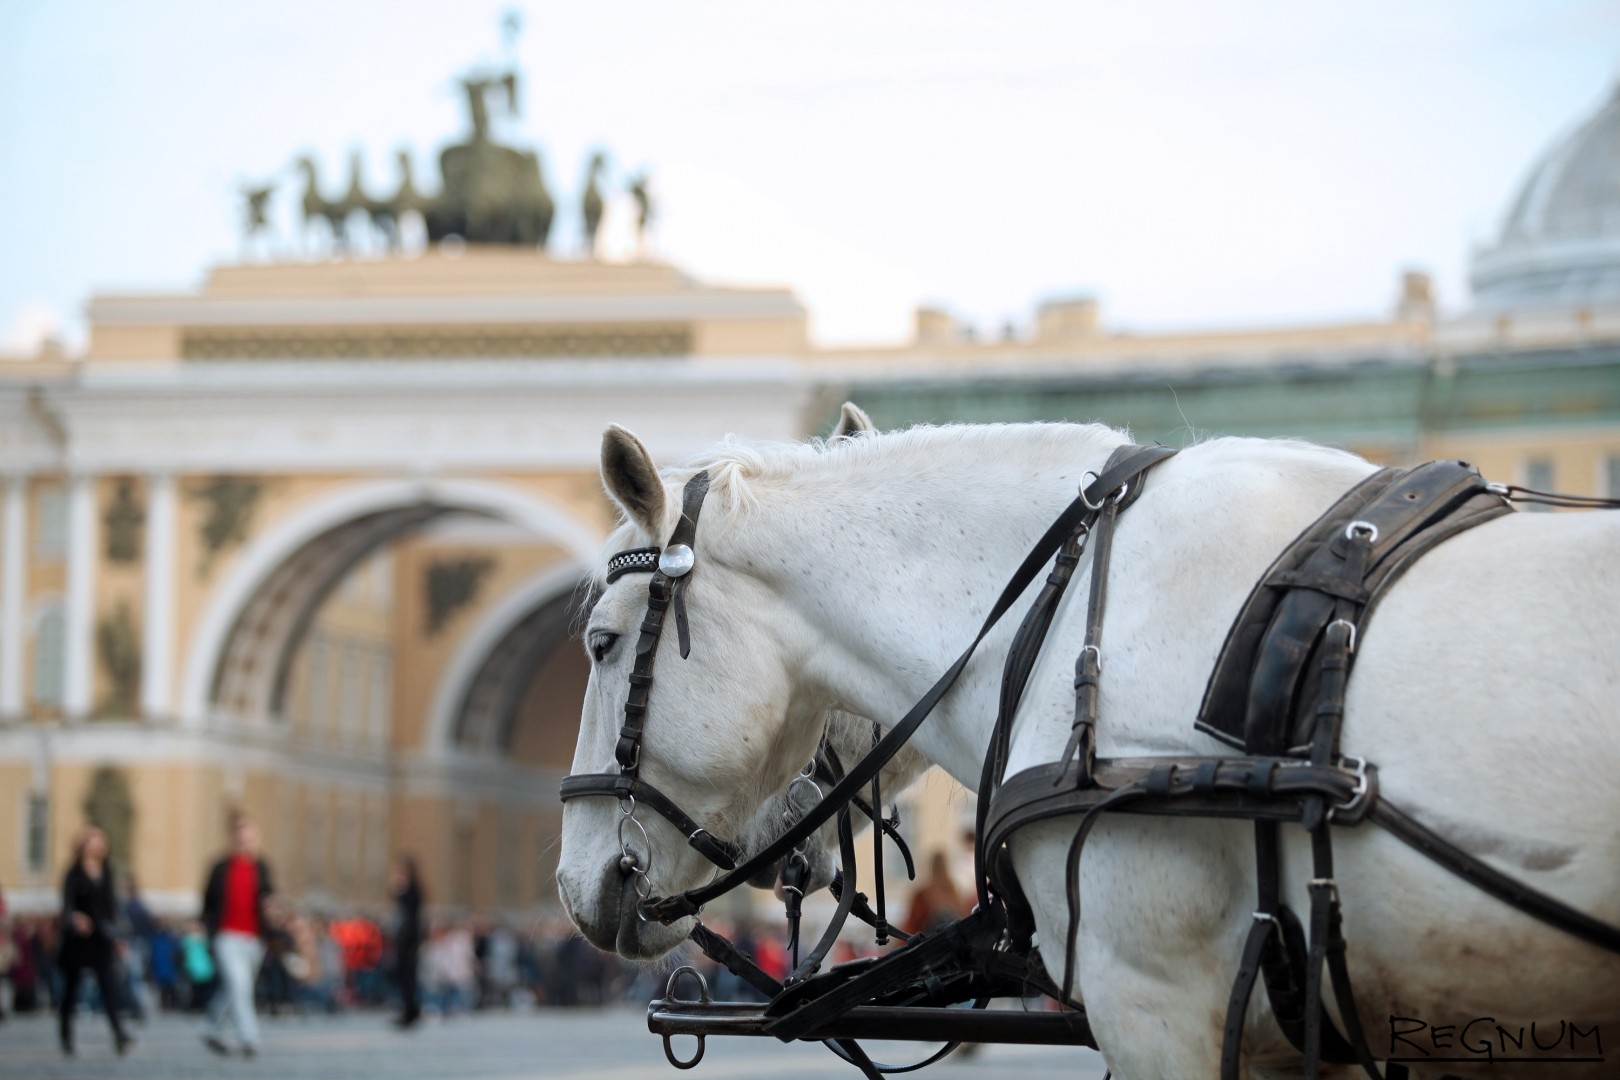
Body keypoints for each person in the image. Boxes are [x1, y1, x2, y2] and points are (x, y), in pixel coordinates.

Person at [200, 812, 274, 1058]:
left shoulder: (261, 867)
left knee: (235, 989)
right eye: (241, 836)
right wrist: (204, 927)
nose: (245, 840)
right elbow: (208, 901)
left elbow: (269, 897)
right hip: (227, 935)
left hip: (254, 938)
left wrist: (271, 910)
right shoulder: (221, 867)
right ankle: (250, 1038)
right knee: (240, 987)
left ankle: (213, 1029)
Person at [57, 826, 134, 1057]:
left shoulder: (107, 871)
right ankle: (66, 1036)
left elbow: (112, 908)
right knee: (71, 990)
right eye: (91, 839)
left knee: (109, 986)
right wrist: (74, 918)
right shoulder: (74, 872)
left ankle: (119, 1033)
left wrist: (118, 937)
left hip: (101, 937)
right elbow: (67, 905)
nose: (95, 844)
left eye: (99, 839)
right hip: (78, 939)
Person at [390, 854, 423, 1028]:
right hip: (407, 939)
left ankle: (410, 1011)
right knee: (405, 978)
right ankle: (409, 1009)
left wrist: (399, 889)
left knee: (408, 977)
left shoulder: (411, 890)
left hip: (408, 941)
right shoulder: (413, 889)